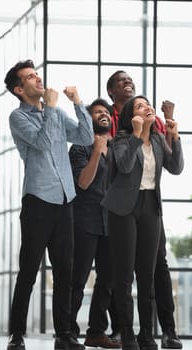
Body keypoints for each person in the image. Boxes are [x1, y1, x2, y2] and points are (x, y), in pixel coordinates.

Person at [4, 59, 94, 350]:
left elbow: (86, 136)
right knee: (29, 270)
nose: (38, 79)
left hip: (65, 199)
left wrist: (78, 102)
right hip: (38, 202)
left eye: (37, 74)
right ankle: (17, 335)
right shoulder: (17, 118)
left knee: (65, 272)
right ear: (20, 89)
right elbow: (42, 144)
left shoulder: (56, 111)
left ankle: (64, 335)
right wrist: (52, 108)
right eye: (31, 77)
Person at [106, 70, 183, 349]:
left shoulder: (160, 140)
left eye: (147, 103)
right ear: (131, 116)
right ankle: (127, 332)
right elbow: (125, 167)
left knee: (147, 274)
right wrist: (138, 135)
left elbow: (176, 168)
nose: (147, 107)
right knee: (124, 275)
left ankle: (147, 334)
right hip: (123, 208)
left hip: (151, 205)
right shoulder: (122, 140)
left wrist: (176, 135)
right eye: (140, 106)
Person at [69, 98, 120, 348]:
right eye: (97, 112)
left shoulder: (118, 148)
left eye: (106, 112)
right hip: (85, 221)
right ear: (88, 119)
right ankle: (67, 332)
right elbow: (83, 182)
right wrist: (97, 150)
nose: (103, 114)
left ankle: (96, 331)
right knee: (78, 278)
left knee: (107, 279)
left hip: (111, 223)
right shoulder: (80, 147)